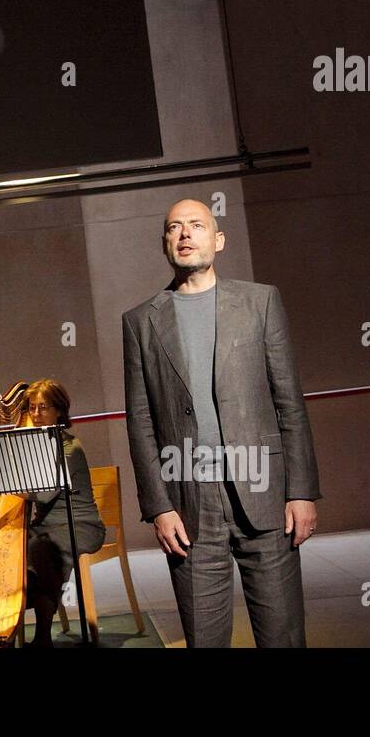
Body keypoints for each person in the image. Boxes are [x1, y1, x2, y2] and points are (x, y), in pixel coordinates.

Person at [122, 199, 321, 647]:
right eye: (175, 227)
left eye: (196, 225)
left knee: (282, 636)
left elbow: (289, 402)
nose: (185, 234)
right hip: (189, 502)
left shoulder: (260, 302)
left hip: (265, 495)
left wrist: (302, 490)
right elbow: (140, 421)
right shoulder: (140, 322)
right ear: (165, 244)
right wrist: (159, 506)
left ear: (218, 239)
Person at [21, 379, 106, 648]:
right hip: (46, 526)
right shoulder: (35, 447)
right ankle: (21, 612)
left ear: (59, 410)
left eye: (43, 408)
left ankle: (42, 635)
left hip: (81, 525)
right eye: (32, 408)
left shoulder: (69, 447)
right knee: (12, 551)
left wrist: (6, 486)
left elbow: (44, 494)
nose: (35, 415)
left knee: (42, 550)